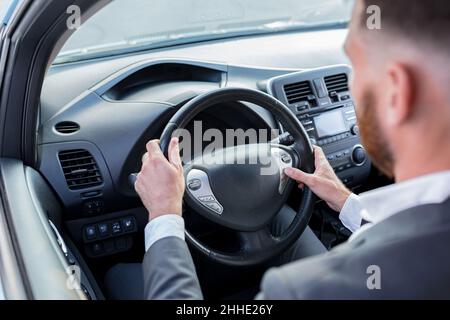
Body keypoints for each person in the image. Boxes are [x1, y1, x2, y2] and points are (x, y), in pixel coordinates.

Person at [134, 0, 450, 299]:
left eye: (356, 68)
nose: (349, 90)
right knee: (282, 219)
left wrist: (164, 214)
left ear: (397, 92)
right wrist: (346, 202)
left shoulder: (300, 290)